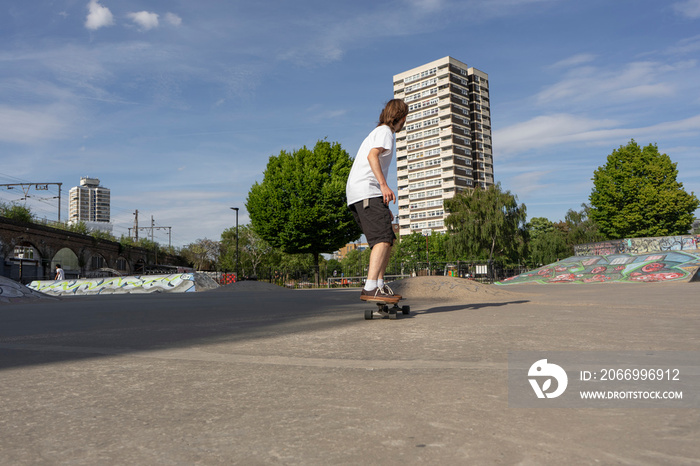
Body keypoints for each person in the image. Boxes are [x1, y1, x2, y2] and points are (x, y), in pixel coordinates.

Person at [346, 99, 408, 303]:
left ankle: (380, 285)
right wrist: (383, 186)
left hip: (365, 193)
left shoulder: (379, 132)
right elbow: (372, 157)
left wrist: (381, 199)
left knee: (387, 238)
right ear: (400, 118)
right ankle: (371, 286)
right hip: (367, 191)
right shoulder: (385, 132)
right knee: (382, 238)